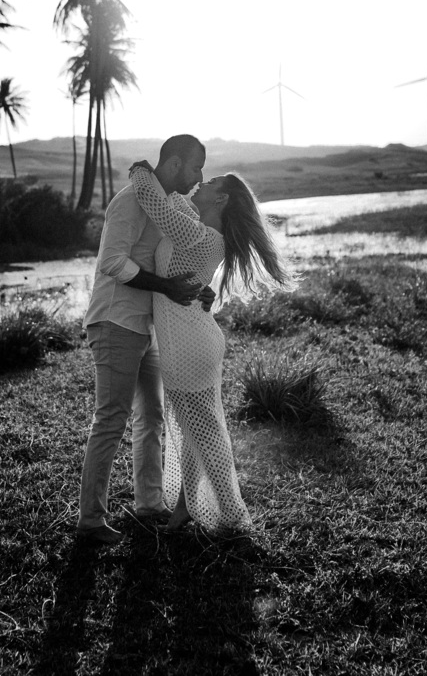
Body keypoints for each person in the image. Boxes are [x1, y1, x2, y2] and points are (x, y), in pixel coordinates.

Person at [128, 159, 292, 533]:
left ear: (221, 199)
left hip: (187, 345)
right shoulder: (199, 230)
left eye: (211, 181)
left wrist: (140, 172)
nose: (201, 182)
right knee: (195, 430)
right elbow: (176, 207)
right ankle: (186, 507)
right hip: (190, 339)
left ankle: (233, 517)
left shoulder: (198, 236)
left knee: (205, 433)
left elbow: (155, 204)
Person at [76, 134, 213, 545]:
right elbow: (112, 261)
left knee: (152, 416)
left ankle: (149, 503)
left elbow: (162, 263)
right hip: (116, 321)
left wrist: (193, 288)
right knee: (110, 420)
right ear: (173, 164)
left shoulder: (164, 205)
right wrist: (167, 287)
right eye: (195, 167)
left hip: (145, 326)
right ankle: (90, 520)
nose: (199, 177)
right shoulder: (131, 201)